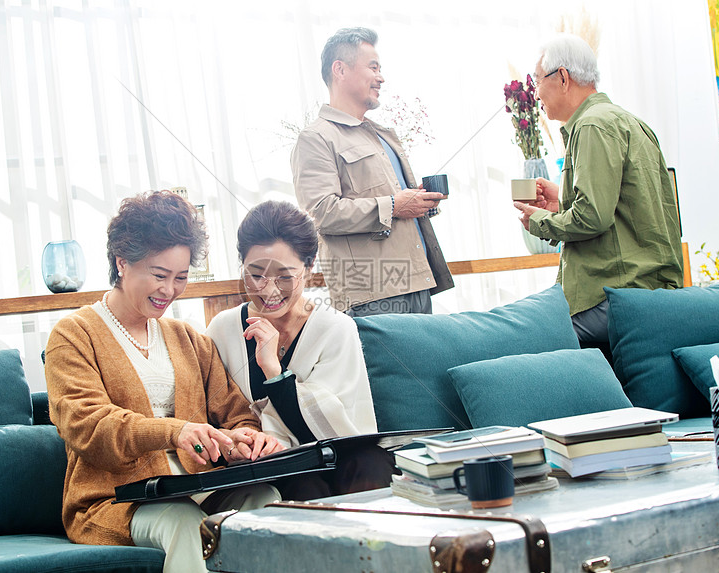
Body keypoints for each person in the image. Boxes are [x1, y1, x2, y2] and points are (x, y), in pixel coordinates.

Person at [44, 190, 283, 573]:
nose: (169, 290)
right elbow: (87, 427)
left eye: (181, 277)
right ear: (122, 262)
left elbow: (237, 415)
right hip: (115, 500)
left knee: (266, 498)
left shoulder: (187, 338)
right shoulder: (74, 335)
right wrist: (174, 431)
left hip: (197, 487)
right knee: (182, 521)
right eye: (159, 275)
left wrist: (244, 440)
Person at [206, 200, 395, 500]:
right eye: (256, 275)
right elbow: (210, 416)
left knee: (368, 463)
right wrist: (235, 443)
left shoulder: (336, 329)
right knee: (301, 485)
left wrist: (273, 371)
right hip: (259, 471)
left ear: (309, 266)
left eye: (284, 277)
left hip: (338, 464)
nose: (268, 290)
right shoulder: (222, 329)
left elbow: (336, 434)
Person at [513, 34, 683, 345]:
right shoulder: (629, 122)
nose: (535, 92)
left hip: (616, 294)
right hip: (652, 291)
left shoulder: (591, 126)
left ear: (562, 77)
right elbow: (619, 210)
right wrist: (561, 202)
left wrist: (538, 220)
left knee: (533, 341)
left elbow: (592, 217)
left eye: (537, 80)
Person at [291, 27, 453, 317]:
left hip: (419, 282)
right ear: (339, 69)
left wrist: (420, 204)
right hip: (372, 294)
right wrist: (394, 206)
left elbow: (399, 208)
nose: (381, 77)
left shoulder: (384, 135)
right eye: (373, 67)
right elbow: (321, 213)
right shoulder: (316, 138)